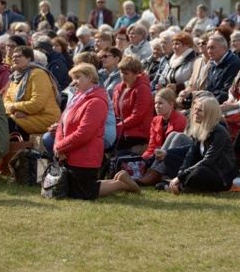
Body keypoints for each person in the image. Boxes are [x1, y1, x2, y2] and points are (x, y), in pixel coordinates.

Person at [53, 63, 140, 199]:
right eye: (72, 78)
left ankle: (122, 184)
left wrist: (61, 147)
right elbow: (61, 124)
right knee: (73, 189)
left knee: (85, 193)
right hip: (71, 152)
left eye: (77, 77)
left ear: (89, 77)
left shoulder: (96, 102)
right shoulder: (77, 98)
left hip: (85, 154)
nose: (73, 82)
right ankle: (120, 180)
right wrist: (58, 146)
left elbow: (85, 132)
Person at [168, 95, 238, 194]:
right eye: (195, 109)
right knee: (169, 157)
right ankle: (186, 186)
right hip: (203, 168)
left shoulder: (219, 132)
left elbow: (208, 161)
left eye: (200, 110)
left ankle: (181, 185)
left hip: (219, 176)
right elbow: (190, 156)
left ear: (209, 113)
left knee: (200, 171)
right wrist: (181, 173)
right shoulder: (199, 129)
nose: (195, 113)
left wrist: (180, 177)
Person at [4, 46, 61, 138]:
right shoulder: (15, 77)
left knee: (5, 123)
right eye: (13, 57)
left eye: (18, 56)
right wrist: (15, 111)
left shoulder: (38, 74)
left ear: (29, 59)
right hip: (25, 116)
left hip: (44, 118)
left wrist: (14, 107)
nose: (14, 58)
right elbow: (5, 102)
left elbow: (37, 103)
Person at [135, 88, 187, 186]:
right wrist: (145, 158)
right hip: (158, 155)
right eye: (155, 103)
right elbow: (152, 145)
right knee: (151, 154)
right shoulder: (156, 120)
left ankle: (156, 173)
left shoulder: (181, 121)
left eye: (160, 103)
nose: (157, 106)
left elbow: (177, 147)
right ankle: (152, 172)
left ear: (171, 104)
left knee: (172, 138)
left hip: (173, 156)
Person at [112, 56, 153, 149]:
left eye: (126, 73)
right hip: (121, 130)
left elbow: (137, 116)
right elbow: (113, 111)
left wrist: (117, 127)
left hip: (137, 132)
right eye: (121, 72)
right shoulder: (118, 88)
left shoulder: (142, 89)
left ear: (136, 74)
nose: (122, 76)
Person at [204, 34, 240, 104]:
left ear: (224, 48)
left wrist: (205, 103)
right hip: (210, 103)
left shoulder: (234, 64)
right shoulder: (212, 65)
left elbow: (226, 93)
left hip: (223, 106)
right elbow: (208, 89)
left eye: (212, 48)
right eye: (208, 48)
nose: (209, 51)